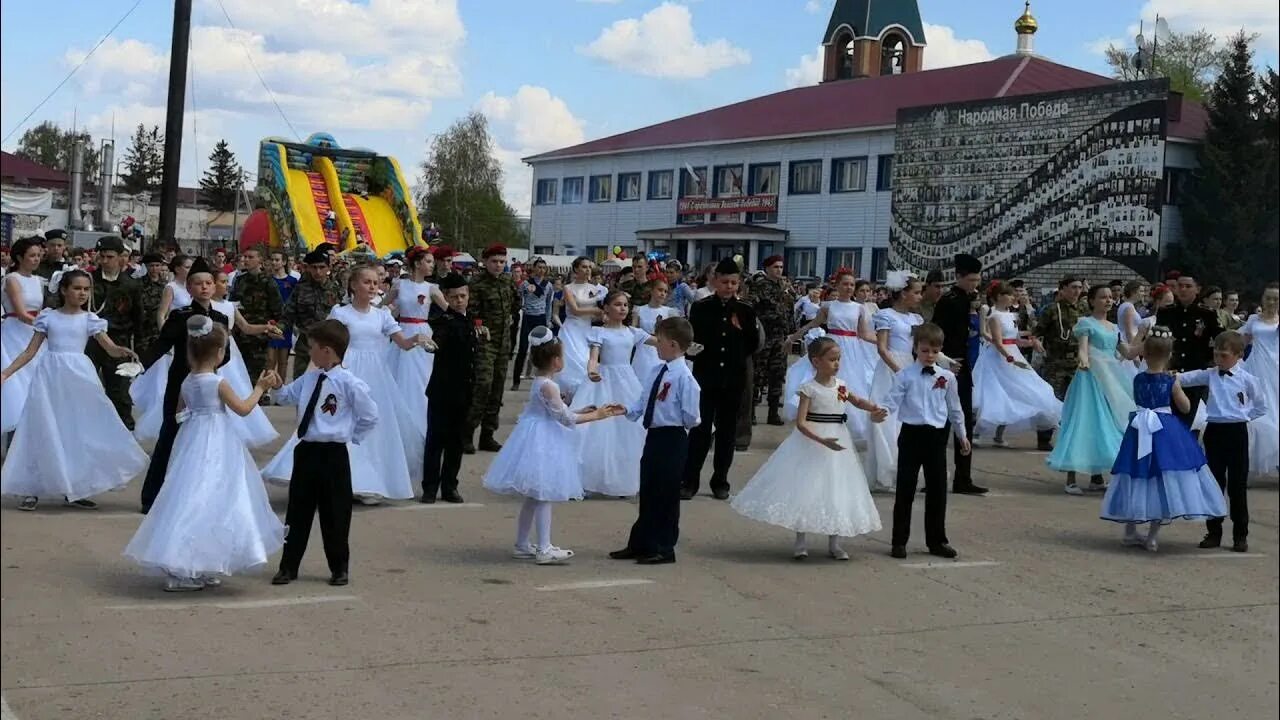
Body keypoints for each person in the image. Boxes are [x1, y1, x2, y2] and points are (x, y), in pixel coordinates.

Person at [124, 317, 284, 592]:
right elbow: (244, 409)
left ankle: (201, 562)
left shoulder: (187, 380)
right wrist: (261, 388)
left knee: (194, 492)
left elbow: (178, 413)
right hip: (217, 438)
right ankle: (184, 566)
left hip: (193, 436)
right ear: (220, 353)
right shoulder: (218, 382)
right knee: (210, 494)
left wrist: (196, 416)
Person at [263, 265, 430, 504]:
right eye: (367, 282)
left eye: (376, 283)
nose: (373, 287)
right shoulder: (341, 312)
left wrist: (416, 338)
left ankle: (369, 483)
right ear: (353, 285)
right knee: (337, 421)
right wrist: (313, 372)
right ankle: (334, 479)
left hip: (375, 376)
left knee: (373, 426)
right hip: (346, 370)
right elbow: (326, 342)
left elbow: (402, 343)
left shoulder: (381, 315)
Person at [0, 270, 145, 511]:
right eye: (77, 288)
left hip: (79, 376)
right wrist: (6, 372)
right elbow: (30, 351)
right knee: (42, 427)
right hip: (50, 376)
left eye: (86, 289)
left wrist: (124, 352)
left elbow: (108, 347)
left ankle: (76, 487)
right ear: (64, 290)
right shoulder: (48, 317)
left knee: (76, 430)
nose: (83, 293)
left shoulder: (90, 319)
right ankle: (31, 488)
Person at [731, 336, 886, 560]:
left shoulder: (841, 385)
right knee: (806, 488)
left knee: (837, 489)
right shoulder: (809, 389)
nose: (837, 364)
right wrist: (821, 440)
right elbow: (801, 423)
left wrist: (874, 408)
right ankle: (801, 541)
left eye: (838, 359)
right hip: (813, 442)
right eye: (832, 359)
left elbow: (858, 401)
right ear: (816, 361)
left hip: (838, 441)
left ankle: (835, 542)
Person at [484, 326, 623, 564]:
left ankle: (522, 543)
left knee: (534, 497)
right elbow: (565, 419)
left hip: (538, 433)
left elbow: (556, 411)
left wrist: (580, 409)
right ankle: (544, 548)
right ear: (556, 361)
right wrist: (598, 415)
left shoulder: (542, 382)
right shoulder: (549, 386)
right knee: (544, 494)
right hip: (543, 440)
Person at [267, 319, 376, 587]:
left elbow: (370, 415)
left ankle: (339, 567)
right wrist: (278, 385)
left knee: (335, 514)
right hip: (306, 451)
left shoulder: (349, 383)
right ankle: (288, 566)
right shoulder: (310, 377)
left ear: (326, 350)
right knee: (297, 512)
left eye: (312, 347)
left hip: (333, 453)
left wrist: (351, 436)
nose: (309, 351)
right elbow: (286, 397)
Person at [1100, 328, 1227, 551]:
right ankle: (1152, 536)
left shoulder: (1138, 378)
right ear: (1170, 355)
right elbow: (1185, 406)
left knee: (1137, 473)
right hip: (1164, 429)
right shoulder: (1170, 381)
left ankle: (1130, 530)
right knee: (1162, 476)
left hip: (1139, 428)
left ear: (1145, 354)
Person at [137, 257, 231, 514]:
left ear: (214, 287)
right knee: (169, 434)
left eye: (208, 283)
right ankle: (151, 496)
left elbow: (227, 353)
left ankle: (202, 495)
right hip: (181, 384)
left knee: (207, 438)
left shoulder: (221, 317)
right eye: (198, 283)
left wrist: (208, 372)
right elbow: (162, 345)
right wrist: (141, 365)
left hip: (209, 385)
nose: (204, 287)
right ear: (188, 288)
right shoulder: (180, 316)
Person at [610, 317, 701, 564]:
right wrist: (626, 409)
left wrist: (673, 422)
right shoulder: (656, 370)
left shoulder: (684, 377)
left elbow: (692, 416)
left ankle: (664, 546)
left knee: (666, 492)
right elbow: (643, 401)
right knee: (649, 488)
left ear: (672, 344)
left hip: (673, 436)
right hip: (654, 435)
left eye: (658, 341)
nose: (655, 345)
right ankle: (641, 542)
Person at [880, 323, 969, 559]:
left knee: (938, 490)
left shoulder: (947, 377)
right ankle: (899, 541)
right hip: (911, 434)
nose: (929, 355)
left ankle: (937, 540)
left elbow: (955, 408)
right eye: (924, 350)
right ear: (915, 349)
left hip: (936, 436)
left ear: (940, 351)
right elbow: (892, 400)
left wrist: (961, 434)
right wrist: (880, 412)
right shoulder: (904, 375)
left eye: (934, 351)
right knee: (905, 490)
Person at [1180, 331, 1267, 553]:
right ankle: (1214, 531)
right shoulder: (1210, 374)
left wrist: (1244, 414)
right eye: (1216, 354)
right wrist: (1167, 375)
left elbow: (1260, 405)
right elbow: (1187, 377)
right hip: (1215, 431)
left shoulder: (1248, 379)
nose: (1219, 359)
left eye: (1224, 355)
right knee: (1215, 483)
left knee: (1237, 485)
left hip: (1237, 431)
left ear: (1238, 355)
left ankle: (1240, 535)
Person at [1047, 285, 1138, 495]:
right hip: (1090, 377)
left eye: (1109, 297)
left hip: (1111, 377)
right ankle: (1071, 477)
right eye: (1102, 297)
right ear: (1092, 301)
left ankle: (1097, 477)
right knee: (1085, 420)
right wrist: (1084, 361)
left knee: (1108, 421)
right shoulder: (1086, 323)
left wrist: (1143, 336)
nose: (1108, 301)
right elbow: (1083, 347)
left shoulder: (1113, 327)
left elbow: (1130, 353)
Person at [681, 257, 759, 501]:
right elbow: (693, 340)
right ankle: (690, 480)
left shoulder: (745, 310)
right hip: (706, 376)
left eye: (734, 283)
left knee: (727, 433)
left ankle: (720, 480)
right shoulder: (701, 307)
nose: (729, 287)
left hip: (733, 379)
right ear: (715, 281)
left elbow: (752, 344)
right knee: (700, 431)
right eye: (725, 282)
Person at [915, 254, 986, 495]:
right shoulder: (950, 301)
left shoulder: (969, 300)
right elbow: (934, 334)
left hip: (963, 368)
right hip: (947, 367)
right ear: (958, 277)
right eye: (971, 280)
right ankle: (934, 478)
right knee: (938, 423)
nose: (974, 284)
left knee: (963, 421)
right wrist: (942, 359)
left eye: (977, 280)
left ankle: (962, 478)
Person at [572, 291, 653, 497]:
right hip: (604, 381)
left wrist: (685, 345)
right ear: (606, 308)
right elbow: (593, 357)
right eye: (617, 304)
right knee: (598, 429)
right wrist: (592, 370)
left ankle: (624, 479)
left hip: (627, 381)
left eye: (625, 305)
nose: (622, 308)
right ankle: (589, 479)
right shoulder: (599, 332)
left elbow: (660, 341)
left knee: (629, 428)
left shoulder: (633, 332)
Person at [784, 270, 876, 444]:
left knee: (850, 383)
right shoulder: (828, 306)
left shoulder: (859, 308)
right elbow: (813, 324)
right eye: (845, 284)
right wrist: (793, 337)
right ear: (837, 285)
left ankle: (849, 424)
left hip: (852, 349)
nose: (849, 288)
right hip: (831, 345)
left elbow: (864, 334)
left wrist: (884, 343)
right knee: (826, 381)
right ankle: (822, 418)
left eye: (852, 285)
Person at [972, 281, 1061, 439]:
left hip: (1013, 353)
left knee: (1021, 390)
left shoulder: (1011, 315)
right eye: (1009, 294)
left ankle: (999, 435)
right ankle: (978, 432)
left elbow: (1015, 339)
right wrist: (1011, 358)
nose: (1013, 297)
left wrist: (1031, 343)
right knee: (997, 393)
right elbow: (998, 342)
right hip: (999, 357)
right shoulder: (994, 316)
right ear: (999, 297)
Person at [422, 273, 478, 503]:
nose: (459, 300)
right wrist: (432, 346)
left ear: (468, 296)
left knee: (456, 442)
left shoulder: (472, 320)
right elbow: (438, 340)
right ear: (446, 297)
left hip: (464, 391)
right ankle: (430, 488)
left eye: (463, 296)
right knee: (436, 440)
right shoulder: (444, 321)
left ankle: (450, 486)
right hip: (442, 391)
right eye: (454, 297)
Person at [865, 271, 924, 492]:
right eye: (916, 292)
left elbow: (922, 347)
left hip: (909, 365)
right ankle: (885, 471)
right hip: (891, 369)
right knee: (887, 418)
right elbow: (882, 348)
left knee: (908, 419)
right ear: (903, 294)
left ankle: (904, 470)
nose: (920, 297)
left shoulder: (915, 319)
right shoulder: (886, 315)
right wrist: (899, 371)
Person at [86, 236, 143, 430]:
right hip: (91, 342)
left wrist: (139, 352)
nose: (104, 261)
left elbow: (138, 319)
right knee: (87, 388)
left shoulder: (131, 285)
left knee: (119, 391)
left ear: (121, 257)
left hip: (119, 342)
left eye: (109, 257)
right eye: (101, 256)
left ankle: (124, 432)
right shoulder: (88, 280)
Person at [465, 244, 517, 453]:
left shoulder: (507, 281)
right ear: (485, 262)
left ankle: (488, 435)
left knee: (496, 390)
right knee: (482, 387)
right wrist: (479, 326)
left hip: (503, 344)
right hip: (484, 343)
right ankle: (467, 434)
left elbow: (516, 303)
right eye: (494, 261)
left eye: (502, 262)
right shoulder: (476, 283)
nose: (498, 265)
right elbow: (471, 312)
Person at [1157, 273, 1221, 430]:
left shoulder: (1207, 314)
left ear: (1197, 289)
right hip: (1170, 370)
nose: (1183, 290)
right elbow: (1158, 341)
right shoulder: (1166, 312)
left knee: (1186, 421)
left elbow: (1219, 339)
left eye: (1188, 286)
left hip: (1195, 371)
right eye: (1180, 286)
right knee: (1167, 418)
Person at [1033, 275, 1086, 452]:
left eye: (1079, 287)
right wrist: (1037, 341)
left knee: (1076, 401)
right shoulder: (1051, 310)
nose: (1076, 291)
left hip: (1077, 362)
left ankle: (1071, 436)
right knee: (1052, 399)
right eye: (1072, 287)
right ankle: (1044, 437)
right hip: (1056, 362)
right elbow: (1037, 331)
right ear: (1062, 289)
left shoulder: (1084, 309)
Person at [1, 237, 47, 437]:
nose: (36, 259)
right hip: (15, 331)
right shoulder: (12, 279)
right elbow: (20, 312)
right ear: (19, 258)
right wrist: (46, 326)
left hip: (34, 333)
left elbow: (39, 309)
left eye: (38, 255)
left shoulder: (38, 280)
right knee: (16, 383)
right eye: (31, 256)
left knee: (36, 382)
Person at [748, 255, 796, 426]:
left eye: (781, 267)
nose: (779, 270)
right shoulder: (760, 286)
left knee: (778, 374)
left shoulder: (785, 287)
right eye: (775, 267)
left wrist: (790, 334)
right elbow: (750, 306)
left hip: (780, 337)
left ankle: (773, 413)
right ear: (767, 268)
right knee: (758, 375)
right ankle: (751, 412)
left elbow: (789, 311)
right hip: (765, 336)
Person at [283, 249, 344, 382]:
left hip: (330, 344)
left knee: (329, 381)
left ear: (329, 267)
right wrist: (278, 328)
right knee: (301, 381)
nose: (318, 272)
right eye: (314, 267)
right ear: (308, 268)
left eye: (322, 267)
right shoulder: (301, 288)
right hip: (306, 342)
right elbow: (288, 313)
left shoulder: (336, 289)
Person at [229, 246, 283, 387]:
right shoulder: (240, 280)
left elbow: (277, 309)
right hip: (240, 332)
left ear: (260, 260)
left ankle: (256, 399)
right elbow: (232, 304)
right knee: (239, 370)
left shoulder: (268, 282)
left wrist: (272, 329)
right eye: (245, 257)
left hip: (259, 335)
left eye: (250, 257)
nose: (246, 260)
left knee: (256, 371)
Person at [1241, 283, 1279, 476]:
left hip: (1275, 368)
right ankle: (1250, 461)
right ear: (1263, 299)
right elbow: (1242, 342)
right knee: (1254, 411)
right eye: (1268, 297)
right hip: (1254, 368)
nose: (1271, 301)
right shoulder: (1253, 319)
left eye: (1275, 298)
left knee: (1275, 410)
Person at [558, 257, 605, 400]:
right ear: (576, 269)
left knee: (587, 361)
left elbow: (600, 312)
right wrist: (596, 311)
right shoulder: (568, 288)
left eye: (589, 267)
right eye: (584, 267)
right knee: (571, 361)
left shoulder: (596, 289)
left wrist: (601, 314)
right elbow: (575, 310)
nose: (587, 270)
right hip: (572, 329)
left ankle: (584, 397)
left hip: (587, 329)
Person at [513, 257, 554, 390]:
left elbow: (549, 304)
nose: (541, 270)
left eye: (543, 268)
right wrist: (521, 306)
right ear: (534, 268)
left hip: (541, 318)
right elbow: (518, 298)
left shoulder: (548, 285)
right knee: (523, 349)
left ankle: (543, 380)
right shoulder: (525, 284)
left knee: (542, 351)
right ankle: (516, 381)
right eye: (539, 267)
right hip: (527, 318)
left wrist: (548, 320)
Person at [632, 279, 676, 384]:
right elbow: (633, 331)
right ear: (651, 291)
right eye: (660, 290)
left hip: (661, 349)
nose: (663, 294)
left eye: (665, 292)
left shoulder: (669, 312)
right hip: (643, 350)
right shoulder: (639, 310)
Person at [267, 250, 298, 383]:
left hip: (286, 323)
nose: (274, 262)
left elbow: (296, 301)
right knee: (270, 359)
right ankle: (265, 391)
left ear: (284, 262)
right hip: (270, 323)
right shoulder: (267, 280)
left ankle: (280, 388)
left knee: (283, 360)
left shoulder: (293, 281)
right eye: (272, 259)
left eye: (277, 260)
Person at [136, 253, 169, 353]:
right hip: (143, 328)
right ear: (146, 266)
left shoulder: (166, 285)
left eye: (157, 265)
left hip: (160, 326)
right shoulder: (138, 283)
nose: (154, 269)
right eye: (151, 266)